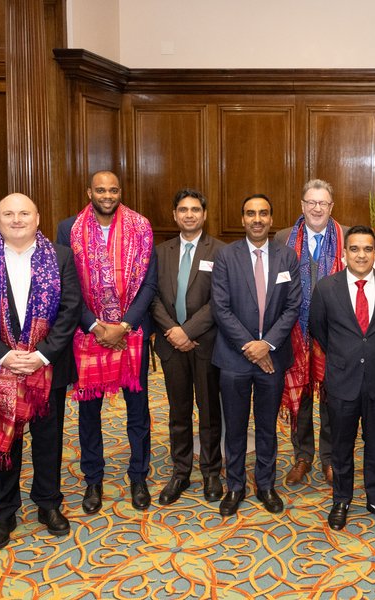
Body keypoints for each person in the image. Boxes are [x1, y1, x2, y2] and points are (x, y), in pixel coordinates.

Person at [0, 194, 81, 550]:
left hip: (47, 367)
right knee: (3, 443)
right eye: (8, 214)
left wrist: (41, 355)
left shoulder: (61, 256)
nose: (16, 219)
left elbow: (70, 310)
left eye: (24, 213)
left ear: (37, 218)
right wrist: (3, 355)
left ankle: (48, 503)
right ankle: (4, 512)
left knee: (48, 439)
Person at [57, 171, 158, 513]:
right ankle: (93, 479)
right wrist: (96, 325)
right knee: (89, 413)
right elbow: (66, 284)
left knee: (138, 411)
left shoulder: (141, 227)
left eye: (113, 190)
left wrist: (124, 325)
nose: (107, 195)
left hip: (131, 335)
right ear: (89, 192)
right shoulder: (68, 229)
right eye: (100, 190)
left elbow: (150, 283)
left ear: (120, 192)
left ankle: (139, 477)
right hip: (89, 335)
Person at [211, 194, 301, 517]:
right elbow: (220, 308)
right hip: (234, 357)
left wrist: (267, 345)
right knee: (235, 427)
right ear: (243, 219)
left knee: (266, 427)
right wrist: (251, 346)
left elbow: (293, 306)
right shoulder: (226, 256)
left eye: (263, 213)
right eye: (251, 213)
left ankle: (265, 484)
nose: (257, 219)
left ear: (271, 219)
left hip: (272, 357)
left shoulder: (287, 256)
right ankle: (235, 486)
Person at [309, 225, 375, 531]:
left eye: (367, 249)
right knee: (341, 446)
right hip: (342, 381)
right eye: (354, 249)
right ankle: (341, 499)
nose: (361, 255)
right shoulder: (326, 287)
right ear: (344, 253)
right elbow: (318, 329)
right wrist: (345, 355)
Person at [151, 188, 225, 504]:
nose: (189, 214)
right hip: (171, 345)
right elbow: (152, 295)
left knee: (209, 412)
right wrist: (173, 332)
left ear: (204, 215)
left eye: (195, 209)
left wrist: (189, 331)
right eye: (183, 209)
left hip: (205, 343)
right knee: (178, 412)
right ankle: (180, 472)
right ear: (175, 215)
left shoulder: (220, 251)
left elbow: (220, 300)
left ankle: (211, 471)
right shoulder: (160, 251)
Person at [273, 179, 347, 487]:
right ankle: (302, 456)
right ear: (302, 205)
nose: (317, 208)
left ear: (331, 207)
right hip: (294, 331)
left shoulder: (346, 237)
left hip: (334, 333)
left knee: (332, 396)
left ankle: (329, 459)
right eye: (311, 202)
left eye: (323, 203)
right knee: (299, 395)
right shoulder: (282, 238)